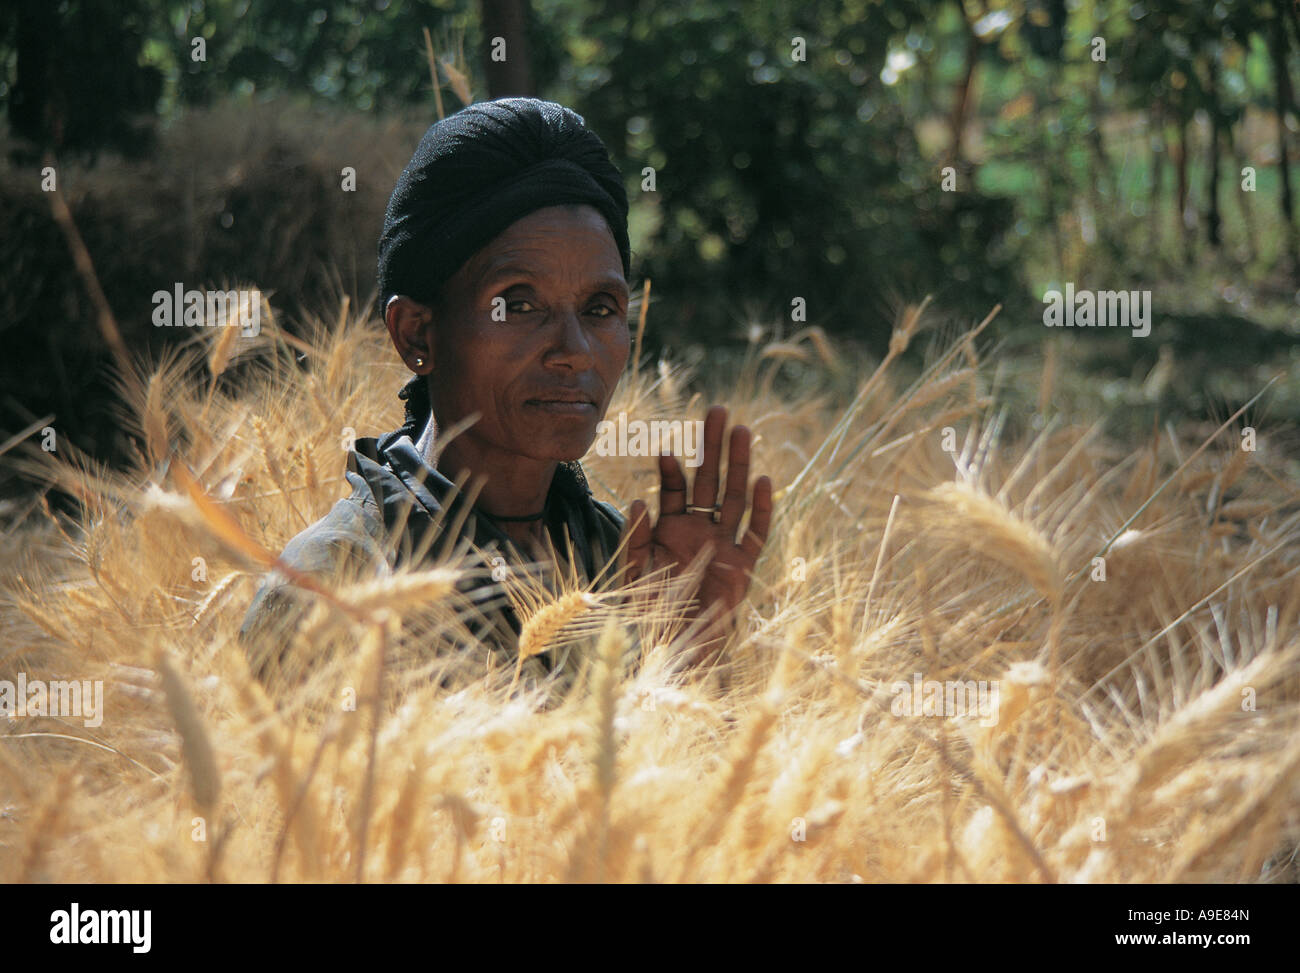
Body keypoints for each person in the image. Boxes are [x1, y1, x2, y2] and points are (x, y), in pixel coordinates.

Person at [238, 97, 773, 686]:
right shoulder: (330, 589)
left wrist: (696, 647)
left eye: (600, 308)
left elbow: (699, 771)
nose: (574, 349)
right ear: (418, 332)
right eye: (518, 304)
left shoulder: (633, 564)